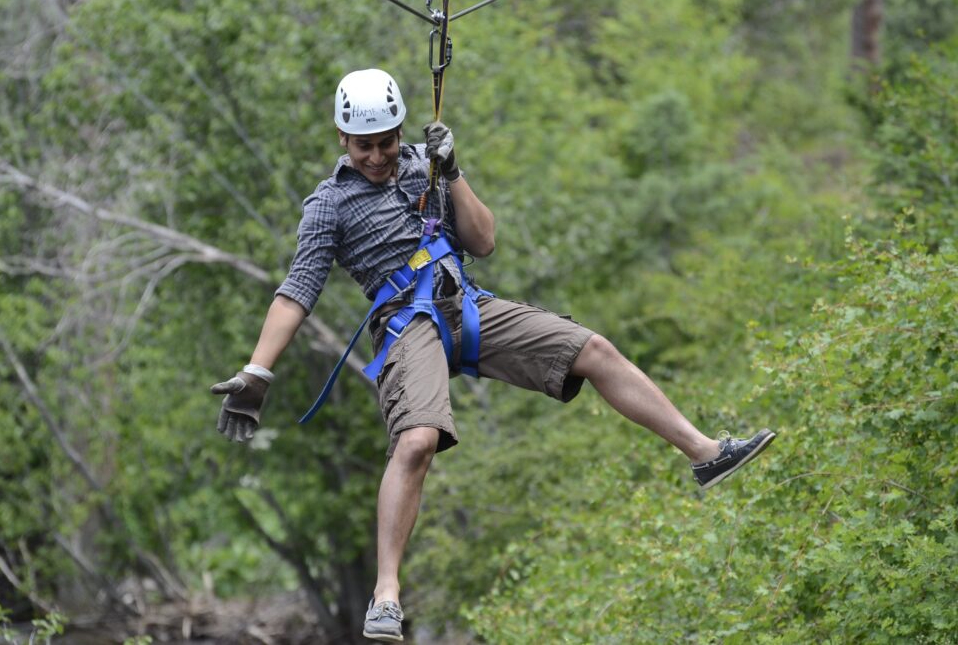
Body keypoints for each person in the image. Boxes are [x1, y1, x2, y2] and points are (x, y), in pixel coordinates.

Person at [211, 68, 776, 643]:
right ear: (342, 138)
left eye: (386, 141)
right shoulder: (328, 205)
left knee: (594, 350)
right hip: (407, 325)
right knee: (418, 439)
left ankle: (705, 452)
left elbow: (482, 241)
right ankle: (386, 595)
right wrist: (259, 368)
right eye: (365, 146)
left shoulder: (424, 168)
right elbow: (296, 291)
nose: (378, 156)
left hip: (467, 305)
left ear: (399, 129)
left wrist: (453, 170)